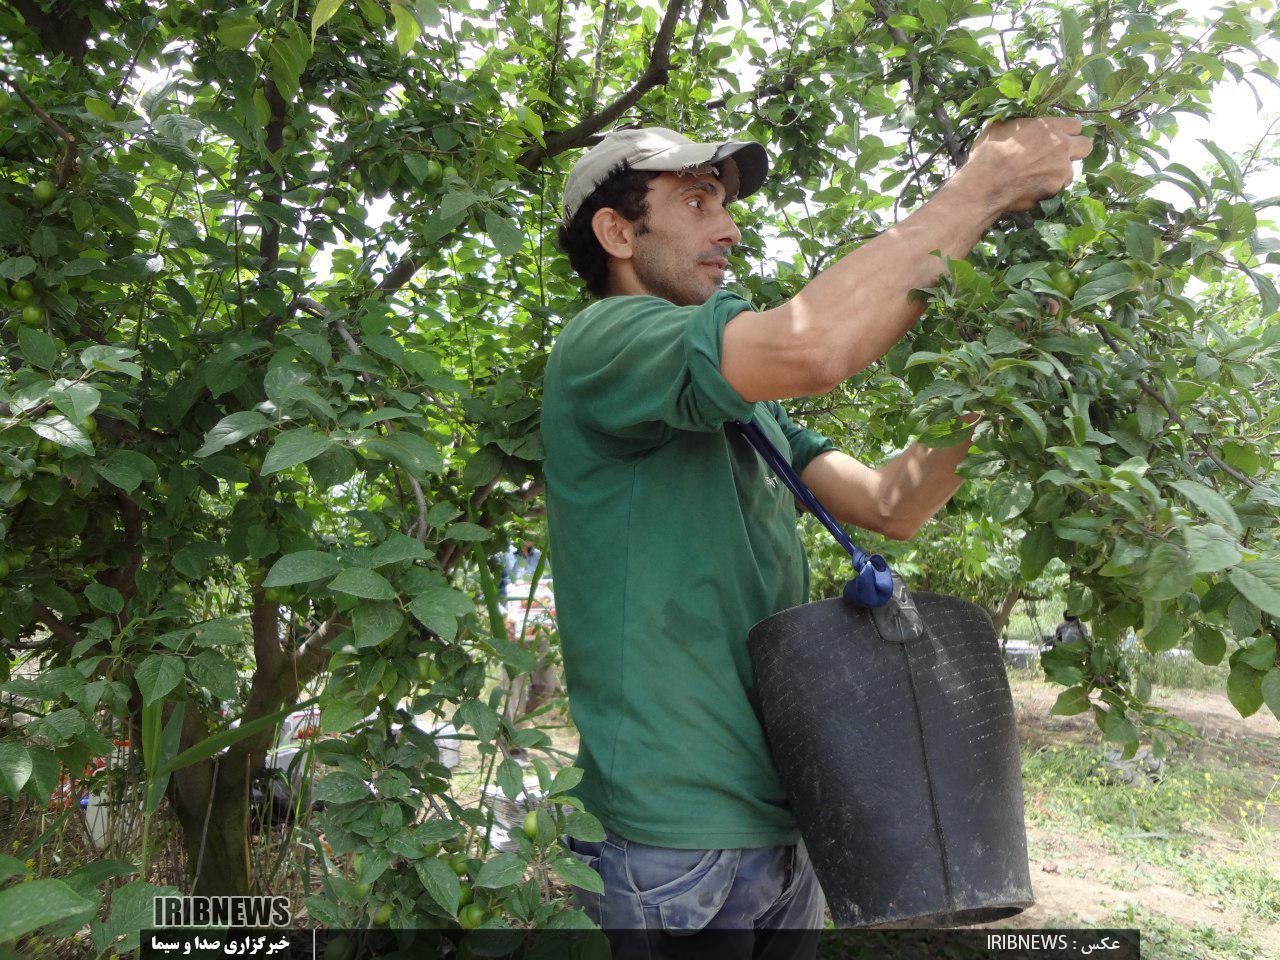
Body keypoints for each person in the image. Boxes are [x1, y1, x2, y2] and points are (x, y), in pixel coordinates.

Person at [541, 120, 1090, 950]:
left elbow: (890, 503)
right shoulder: (604, 342)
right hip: (671, 838)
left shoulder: (741, 399)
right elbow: (814, 346)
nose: (727, 227)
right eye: (695, 201)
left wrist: (998, 377)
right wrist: (983, 187)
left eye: (724, 203)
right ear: (617, 232)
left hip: (784, 820)